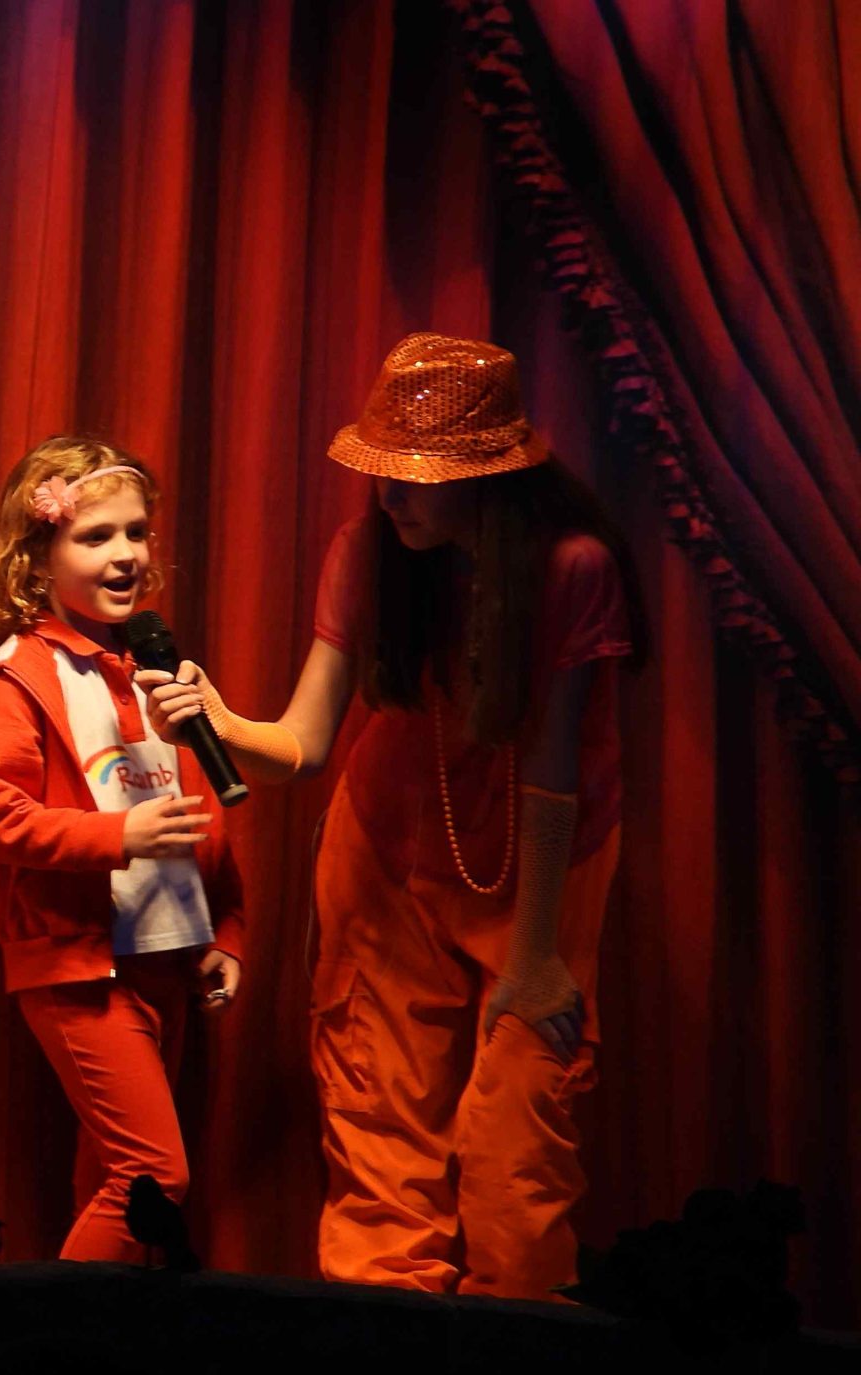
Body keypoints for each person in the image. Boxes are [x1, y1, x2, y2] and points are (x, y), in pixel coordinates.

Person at [141, 334, 645, 1298]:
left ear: (485, 475)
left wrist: (537, 953)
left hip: (539, 864)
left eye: (413, 475)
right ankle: (386, 1359)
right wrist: (221, 723)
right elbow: (303, 745)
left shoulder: (571, 567)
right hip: (385, 854)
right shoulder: (368, 552)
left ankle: (518, 1364)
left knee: (517, 1153)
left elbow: (556, 769)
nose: (388, 495)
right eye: (380, 470)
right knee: (378, 1138)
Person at [0, 437, 248, 1263]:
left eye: (137, 532)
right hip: (78, 967)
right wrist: (120, 835)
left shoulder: (152, 668)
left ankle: (98, 1340)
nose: (126, 554)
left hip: (165, 957)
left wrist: (226, 931)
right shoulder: (20, 677)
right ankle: (54, 1337)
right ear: (37, 554)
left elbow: (203, 809)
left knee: (115, 1178)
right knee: (152, 1177)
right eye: (96, 537)